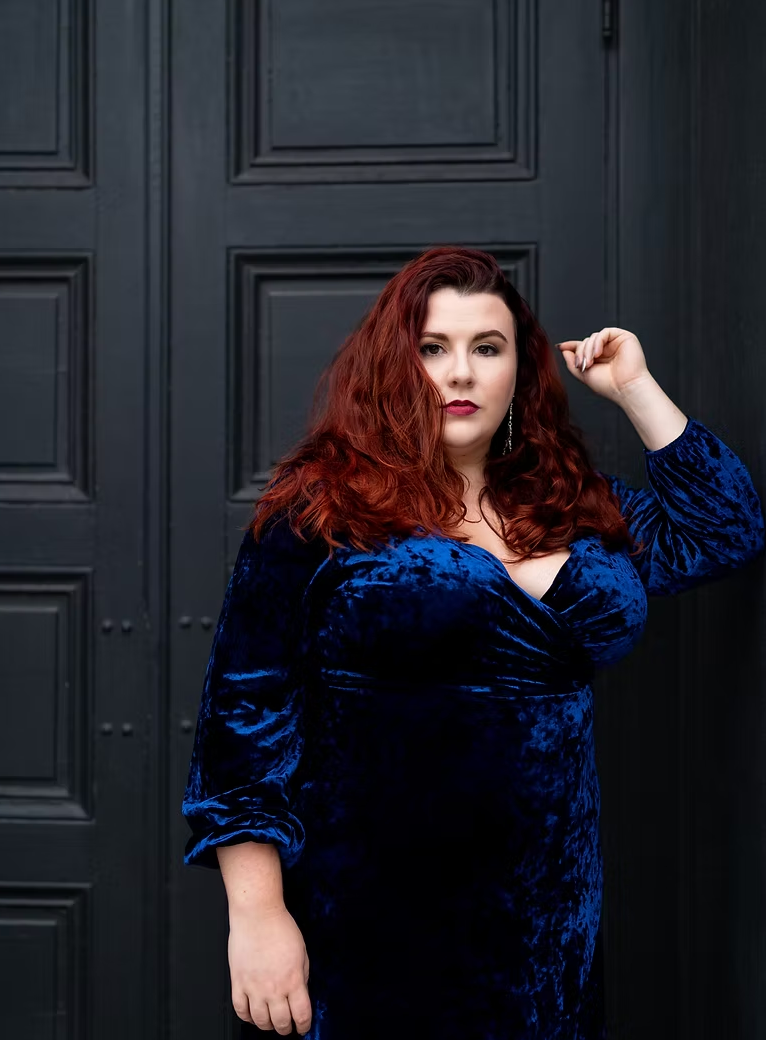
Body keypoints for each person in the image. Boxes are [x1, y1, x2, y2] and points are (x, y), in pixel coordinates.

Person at [181, 246, 765, 1039]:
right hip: (367, 922)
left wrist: (634, 387)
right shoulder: (320, 510)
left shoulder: (573, 504)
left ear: (519, 373)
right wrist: (257, 918)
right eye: (433, 348)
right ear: (395, 365)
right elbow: (241, 723)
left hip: (547, 930)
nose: (460, 373)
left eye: (487, 348)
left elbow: (726, 529)